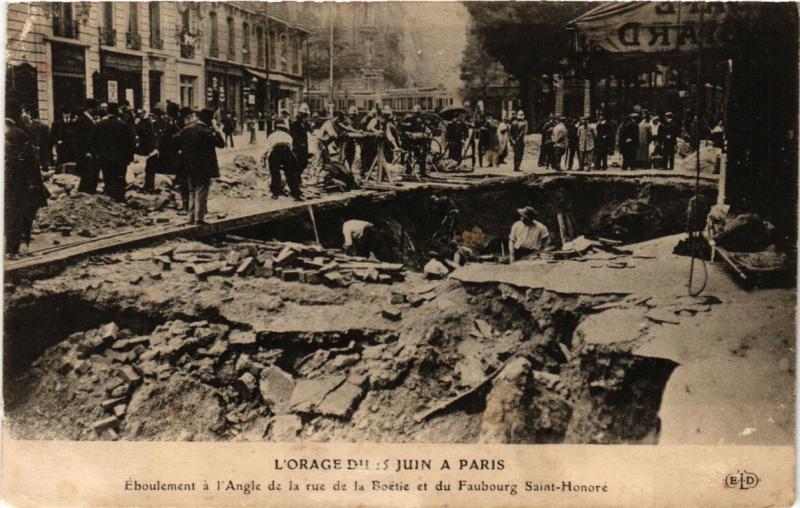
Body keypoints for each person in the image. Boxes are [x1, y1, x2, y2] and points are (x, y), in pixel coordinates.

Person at [5, 99, 49, 256]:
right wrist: (37, 184)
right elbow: (31, 162)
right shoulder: (18, 134)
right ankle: (12, 250)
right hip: (17, 182)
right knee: (15, 214)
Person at [174, 108, 225, 224]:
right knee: (201, 192)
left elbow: (174, 140)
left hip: (189, 166)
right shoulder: (206, 132)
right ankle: (199, 219)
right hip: (203, 168)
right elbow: (221, 144)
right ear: (209, 120)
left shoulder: (187, 129)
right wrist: (217, 129)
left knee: (192, 192)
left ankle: (190, 218)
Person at [91, 103, 136, 202]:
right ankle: (119, 200)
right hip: (120, 159)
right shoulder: (124, 125)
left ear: (107, 111)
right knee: (119, 180)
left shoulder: (99, 125)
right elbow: (130, 143)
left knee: (108, 179)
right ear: (117, 112)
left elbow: (93, 142)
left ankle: (109, 200)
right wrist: (129, 158)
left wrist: (97, 155)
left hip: (104, 158)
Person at [264, 119, 302, 201]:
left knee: (275, 173)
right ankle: (295, 194)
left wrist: (265, 157)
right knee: (291, 174)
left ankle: (275, 193)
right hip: (286, 152)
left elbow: (268, 148)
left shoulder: (271, 136)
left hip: (276, 152)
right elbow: (291, 147)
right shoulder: (288, 136)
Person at [73, 99, 98, 193]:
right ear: (90, 109)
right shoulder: (82, 120)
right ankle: (86, 194)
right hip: (86, 153)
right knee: (88, 175)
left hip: (90, 153)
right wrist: (86, 151)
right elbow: (79, 139)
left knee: (90, 175)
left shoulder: (88, 119)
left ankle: (88, 193)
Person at [401, 104, 429, 177]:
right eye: (417, 109)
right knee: (409, 155)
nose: (419, 110)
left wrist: (426, 133)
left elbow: (424, 128)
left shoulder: (422, 118)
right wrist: (412, 135)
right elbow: (404, 130)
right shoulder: (409, 118)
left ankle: (422, 172)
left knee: (422, 156)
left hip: (421, 140)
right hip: (411, 141)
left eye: (420, 109)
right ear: (413, 110)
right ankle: (408, 171)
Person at [290, 103, 312, 175]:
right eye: (304, 114)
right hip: (298, 146)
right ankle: (296, 177)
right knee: (298, 162)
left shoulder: (304, 122)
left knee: (304, 162)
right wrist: (299, 142)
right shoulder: (295, 122)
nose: (306, 116)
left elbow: (309, 130)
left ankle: (298, 176)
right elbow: (293, 134)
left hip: (304, 145)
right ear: (300, 114)